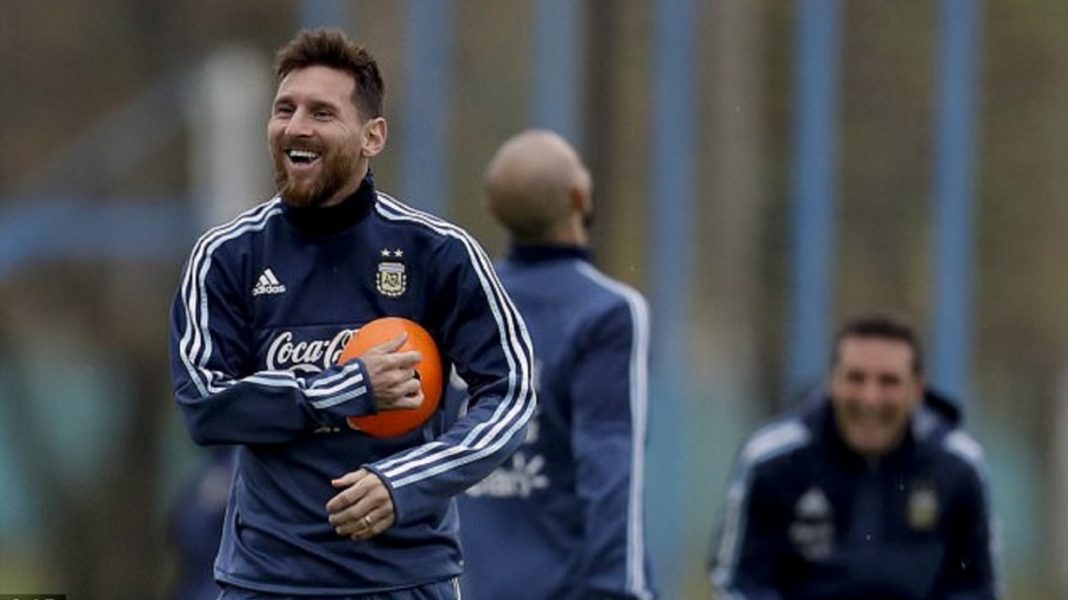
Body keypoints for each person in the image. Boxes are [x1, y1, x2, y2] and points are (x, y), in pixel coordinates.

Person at [169, 28, 536, 599]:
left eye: (322, 113)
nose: (296, 127)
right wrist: (345, 390)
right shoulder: (228, 256)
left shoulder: (436, 253)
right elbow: (202, 405)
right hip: (267, 582)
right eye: (284, 109)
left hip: (404, 581)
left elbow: (511, 392)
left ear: (372, 137)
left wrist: (404, 483)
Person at [454, 129, 657, 600]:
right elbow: (609, 468)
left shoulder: (465, 301)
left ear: (491, 209)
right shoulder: (608, 311)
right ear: (580, 197)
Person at [708, 311, 999, 599]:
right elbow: (739, 585)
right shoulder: (771, 461)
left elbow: (977, 589)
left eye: (888, 382)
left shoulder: (958, 466)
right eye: (856, 378)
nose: (870, 399)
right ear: (832, 382)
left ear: (916, 390)